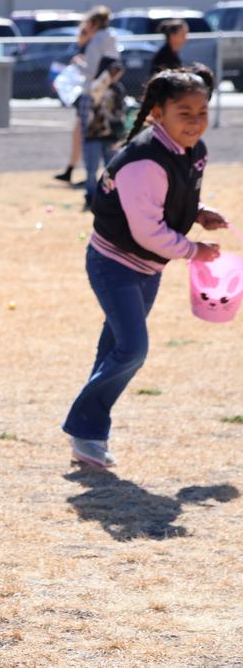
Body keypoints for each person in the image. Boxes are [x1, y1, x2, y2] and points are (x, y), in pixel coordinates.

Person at [62, 66, 227, 469]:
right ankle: (83, 425)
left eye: (202, 111)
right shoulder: (144, 160)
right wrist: (194, 250)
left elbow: (170, 198)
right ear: (158, 112)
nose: (195, 121)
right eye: (184, 112)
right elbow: (148, 230)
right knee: (132, 349)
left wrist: (199, 212)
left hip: (146, 269)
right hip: (114, 264)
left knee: (115, 349)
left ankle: (86, 437)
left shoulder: (189, 151)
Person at [78, 6, 121, 208]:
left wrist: (78, 63)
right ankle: (112, 189)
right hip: (112, 98)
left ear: (93, 23)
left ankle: (91, 189)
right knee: (111, 143)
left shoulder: (96, 41)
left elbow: (89, 72)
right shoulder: (113, 38)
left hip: (95, 99)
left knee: (92, 141)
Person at [54, 23, 90, 184]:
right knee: (77, 135)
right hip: (82, 102)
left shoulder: (93, 50)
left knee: (89, 139)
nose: (79, 38)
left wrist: (80, 63)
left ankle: (90, 175)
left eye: (83, 34)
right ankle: (71, 170)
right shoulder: (82, 51)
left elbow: (90, 73)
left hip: (91, 103)